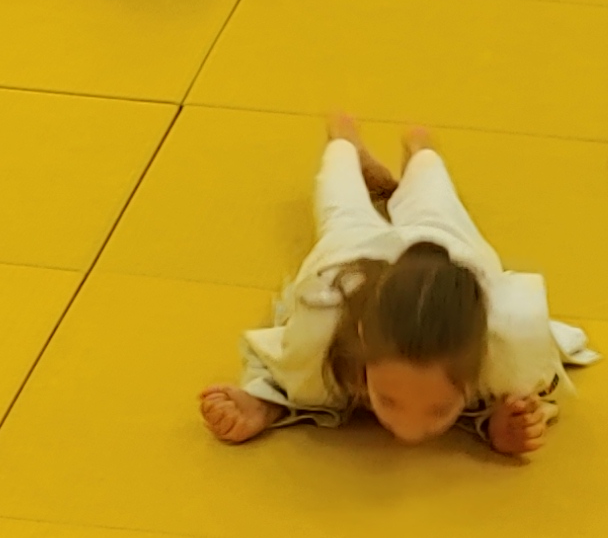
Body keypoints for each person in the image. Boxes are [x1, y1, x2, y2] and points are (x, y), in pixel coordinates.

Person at [201, 119, 586, 459]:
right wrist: (262, 403)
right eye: (386, 399)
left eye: (440, 409)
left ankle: (420, 152)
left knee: (436, 202)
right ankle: (345, 140)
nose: (409, 430)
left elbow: (527, 396)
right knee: (340, 206)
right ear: (362, 341)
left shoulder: (501, 346)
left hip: (447, 246)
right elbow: (286, 370)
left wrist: (502, 423)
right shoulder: (328, 319)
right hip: (352, 251)